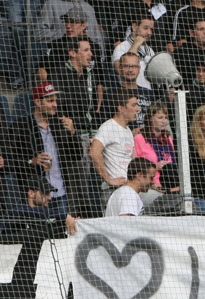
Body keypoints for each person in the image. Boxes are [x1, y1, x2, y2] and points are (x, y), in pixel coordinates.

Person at [8, 81, 82, 220]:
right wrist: (32, 161)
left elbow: (77, 155)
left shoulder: (61, 125)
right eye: (50, 101)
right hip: (35, 198)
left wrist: (73, 133)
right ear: (37, 102)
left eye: (55, 101)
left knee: (61, 237)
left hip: (60, 195)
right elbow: (9, 162)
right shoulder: (21, 127)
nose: (55, 105)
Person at [90, 91, 140, 211]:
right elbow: (94, 152)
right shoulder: (108, 127)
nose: (138, 109)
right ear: (121, 108)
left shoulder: (128, 130)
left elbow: (133, 158)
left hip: (130, 187)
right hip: (115, 190)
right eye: (133, 105)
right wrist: (108, 179)